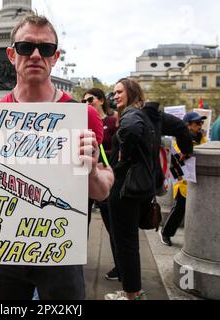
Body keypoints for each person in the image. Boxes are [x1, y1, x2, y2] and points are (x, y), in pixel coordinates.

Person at [0, 14, 114, 300]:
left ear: (56, 58)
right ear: (11, 54)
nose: (36, 55)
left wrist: (90, 171)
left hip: (60, 253)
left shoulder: (84, 116)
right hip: (3, 254)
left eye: (46, 49)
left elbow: (103, 190)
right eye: (27, 47)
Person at [105, 78, 192, 300]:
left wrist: (124, 155)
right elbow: (181, 127)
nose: (115, 96)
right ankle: (132, 290)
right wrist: (186, 150)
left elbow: (132, 131)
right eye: (113, 93)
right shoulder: (153, 115)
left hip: (125, 185)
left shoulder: (131, 115)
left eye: (119, 92)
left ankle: (131, 293)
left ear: (132, 93)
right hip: (144, 185)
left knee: (125, 241)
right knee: (130, 241)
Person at [82, 88, 120, 281]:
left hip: (105, 172)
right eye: (84, 100)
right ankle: (77, 258)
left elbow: (118, 146)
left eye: (90, 99)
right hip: (84, 175)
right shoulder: (83, 118)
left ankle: (120, 265)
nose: (86, 102)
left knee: (111, 223)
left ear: (101, 100)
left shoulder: (113, 121)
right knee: (82, 220)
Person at [159, 112, 207, 247]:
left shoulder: (203, 139)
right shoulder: (178, 140)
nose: (200, 125)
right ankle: (166, 233)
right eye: (197, 123)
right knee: (180, 209)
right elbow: (174, 160)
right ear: (188, 125)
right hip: (183, 181)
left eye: (201, 123)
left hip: (198, 180)